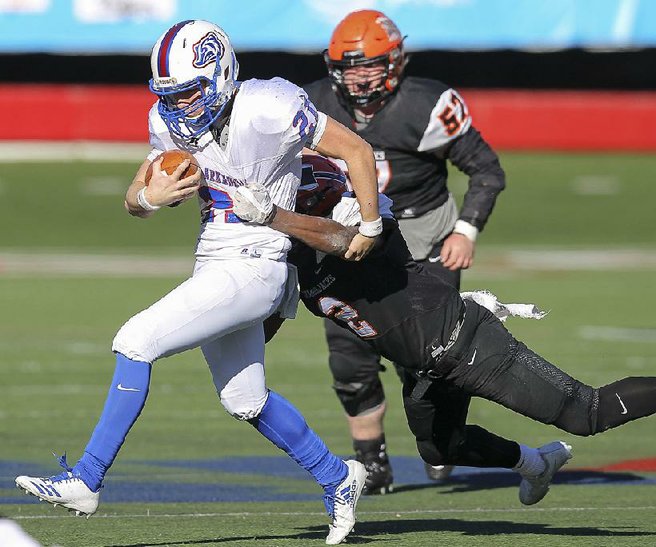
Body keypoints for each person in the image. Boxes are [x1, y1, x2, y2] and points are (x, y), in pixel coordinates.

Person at [238, 156, 656, 508]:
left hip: (464, 341)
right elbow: (264, 316)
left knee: (587, 412)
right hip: (425, 361)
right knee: (440, 448)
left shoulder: (360, 222)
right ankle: (536, 462)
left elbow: (348, 241)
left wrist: (275, 218)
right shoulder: (291, 258)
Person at [14, 20, 382, 545]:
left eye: (187, 92)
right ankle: (338, 477)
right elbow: (134, 197)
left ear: (220, 74)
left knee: (135, 341)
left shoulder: (268, 105)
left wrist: (368, 225)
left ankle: (86, 478)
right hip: (216, 261)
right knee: (244, 399)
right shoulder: (167, 122)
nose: (178, 106)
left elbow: (358, 152)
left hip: (259, 259)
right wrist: (147, 200)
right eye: (169, 95)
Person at [302, 9, 507, 493]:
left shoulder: (428, 105)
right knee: (350, 359)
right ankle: (371, 463)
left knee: (429, 360)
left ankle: (444, 441)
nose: (359, 77)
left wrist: (466, 231)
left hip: (423, 242)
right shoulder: (308, 104)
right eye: (349, 68)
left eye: (369, 66)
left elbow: (486, 171)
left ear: (395, 62)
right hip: (352, 245)